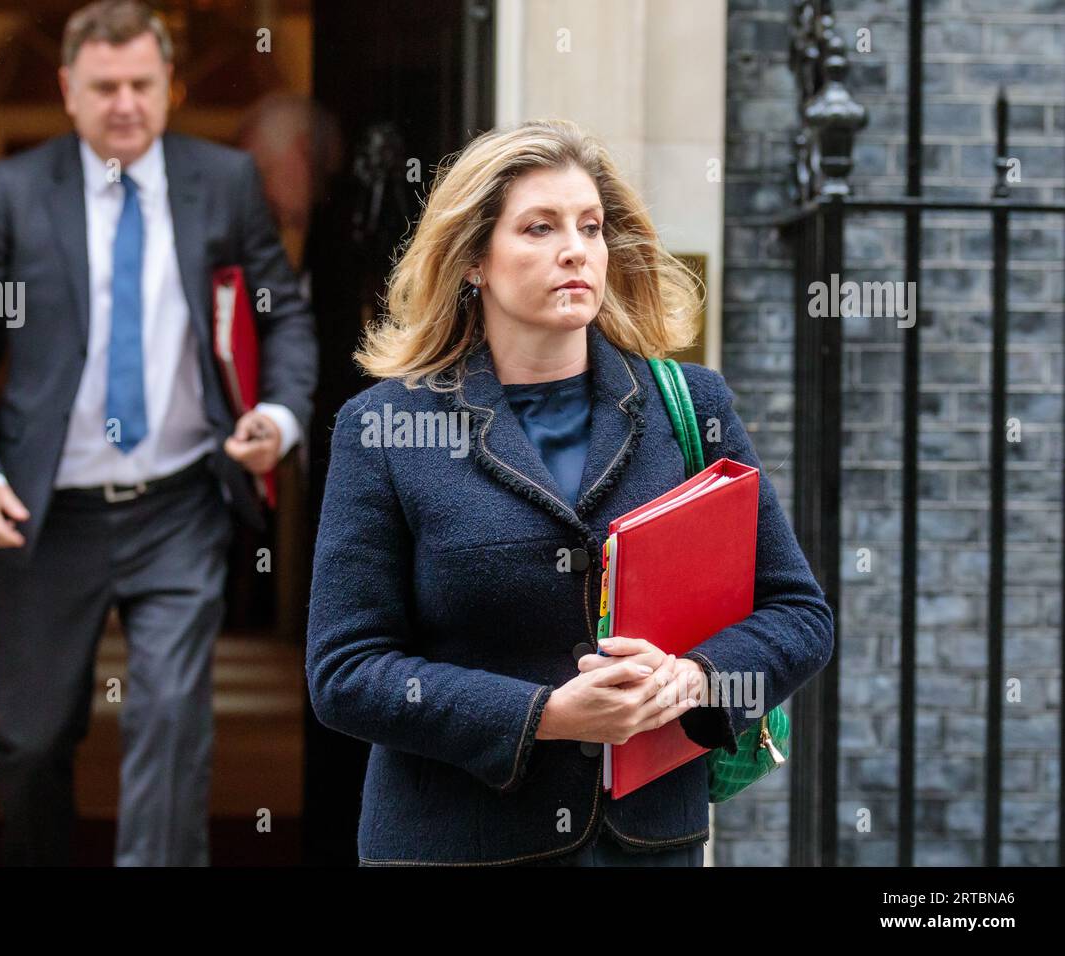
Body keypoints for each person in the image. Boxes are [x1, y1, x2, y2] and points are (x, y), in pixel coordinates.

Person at [305, 118, 834, 866]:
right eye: (539, 228)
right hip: (459, 845)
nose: (575, 248)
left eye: (590, 226)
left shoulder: (692, 405)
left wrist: (695, 679)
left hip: (645, 844)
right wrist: (544, 716)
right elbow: (346, 672)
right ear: (472, 262)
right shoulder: (384, 428)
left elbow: (799, 613)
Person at [0, 0, 316, 866]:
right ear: (68, 90)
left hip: (180, 499)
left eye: (142, 84)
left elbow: (282, 312)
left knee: (172, 718)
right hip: (47, 512)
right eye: (104, 87)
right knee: (29, 743)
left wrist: (281, 418)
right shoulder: (15, 191)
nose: (124, 105)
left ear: (169, 87)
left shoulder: (222, 181)